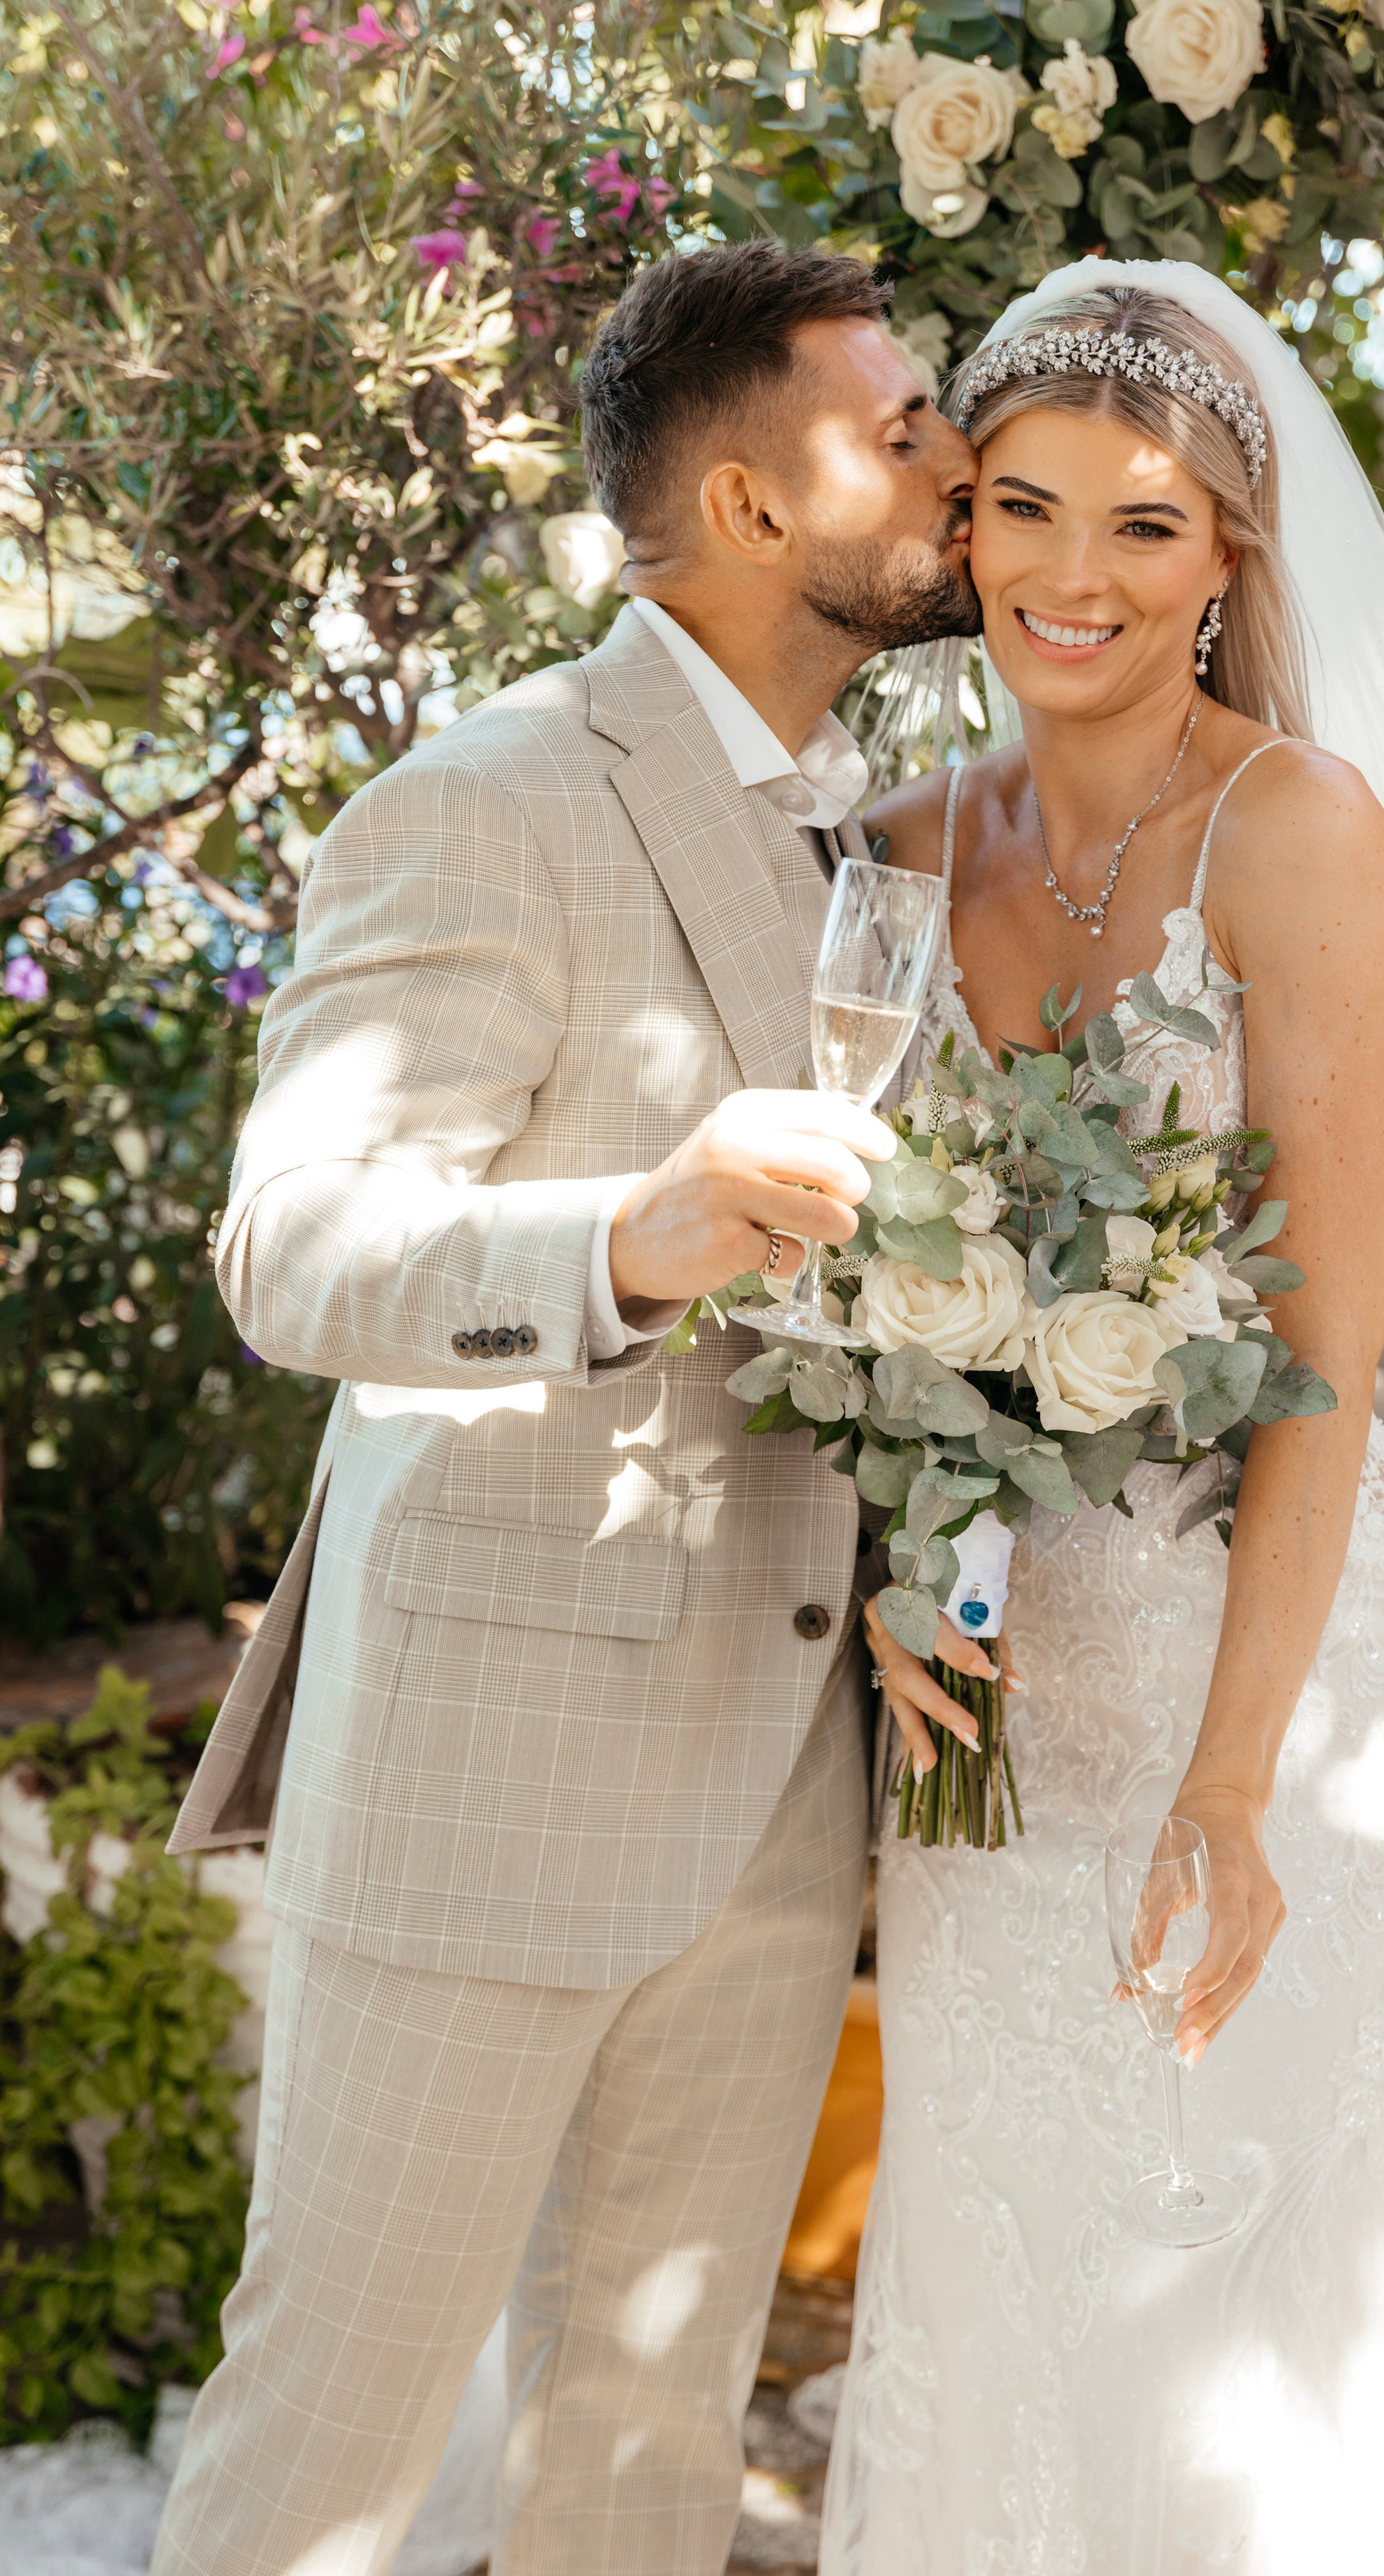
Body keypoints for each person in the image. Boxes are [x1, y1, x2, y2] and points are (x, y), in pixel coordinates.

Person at [151, 241, 979, 2576]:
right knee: (333, 2445)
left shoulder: (885, 831)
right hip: (487, 1789)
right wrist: (630, 1235)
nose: (952, 459)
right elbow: (294, 1246)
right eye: (899, 424)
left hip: (775, 1792)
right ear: (740, 502)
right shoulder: (491, 797)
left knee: (646, 2468)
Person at [821, 269, 1384, 2574]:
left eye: (1146, 530)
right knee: (991, 2264)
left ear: (1231, 562)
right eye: (1027, 511)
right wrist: (905, 1582)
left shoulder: (1304, 838)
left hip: (1268, 1671)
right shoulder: (885, 856)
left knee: (1226, 2271)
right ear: (959, 533)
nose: (1075, 575)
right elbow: (876, 1318)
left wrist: (1240, 1783)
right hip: (993, 1687)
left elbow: (1329, 1359)